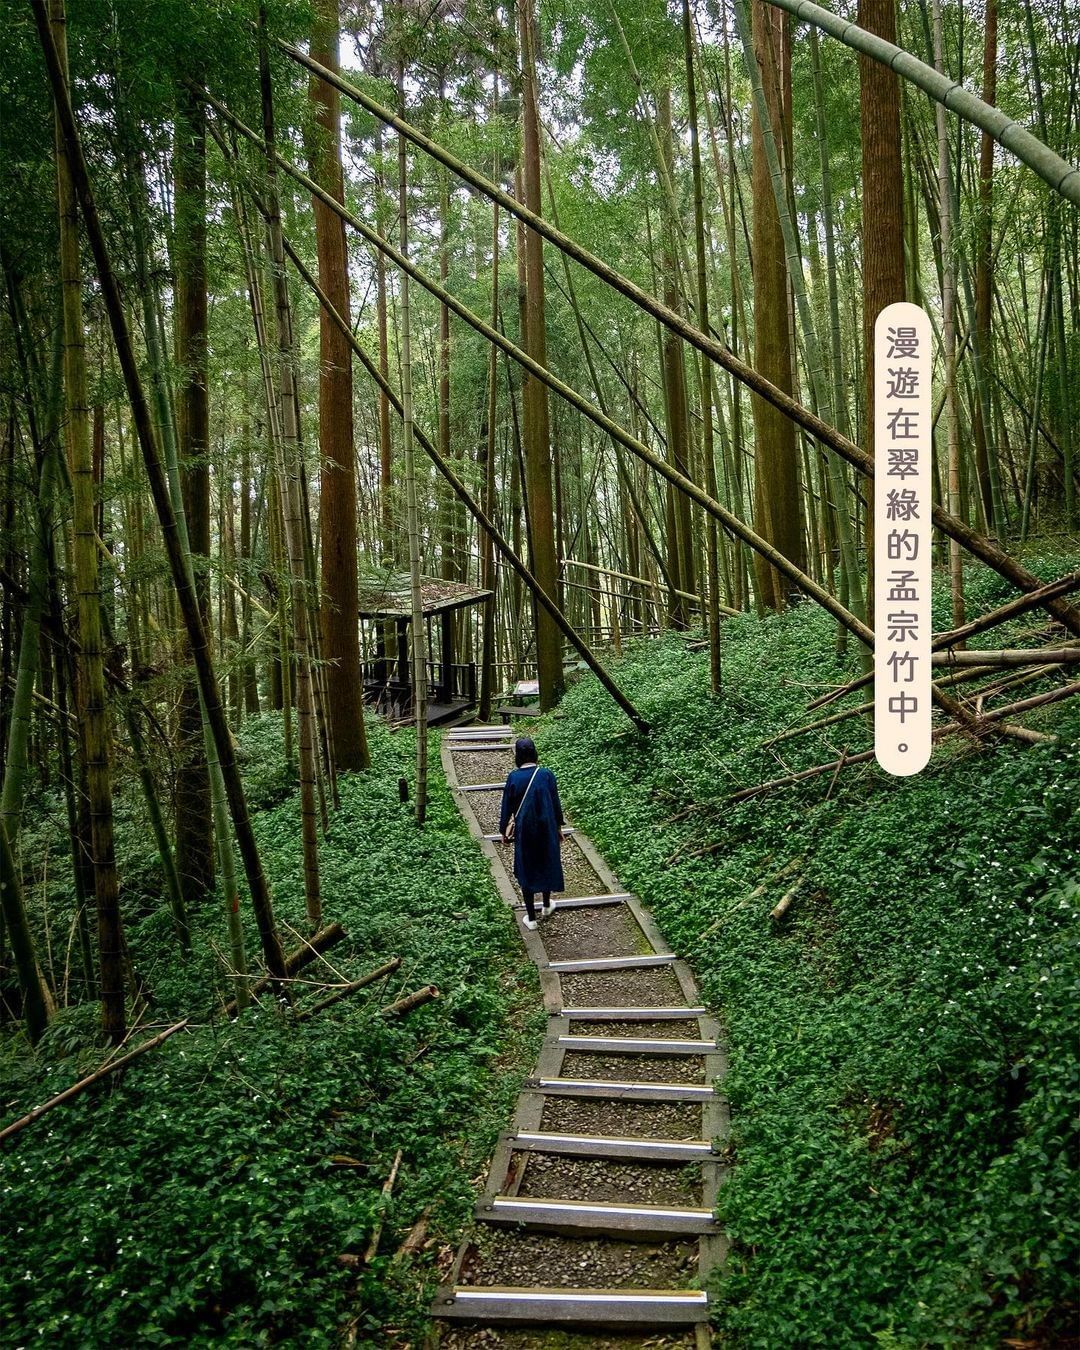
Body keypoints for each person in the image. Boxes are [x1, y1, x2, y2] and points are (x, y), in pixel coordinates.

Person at [499, 737, 565, 930]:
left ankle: (531, 918)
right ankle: (546, 905)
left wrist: (504, 830)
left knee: (526, 867)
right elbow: (555, 804)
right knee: (545, 862)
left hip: (525, 831)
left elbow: (507, 807)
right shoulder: (546, 775)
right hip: (546, 828)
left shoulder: (513, 777)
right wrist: (558, 828)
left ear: (517, 755)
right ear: (535, 753)